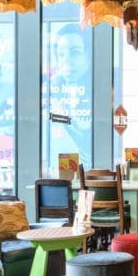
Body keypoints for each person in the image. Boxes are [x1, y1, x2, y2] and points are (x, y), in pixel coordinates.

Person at [45, 23, 92, 170]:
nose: (67, 61)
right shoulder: (52, 88)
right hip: (58, 166)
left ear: (88, 54)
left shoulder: (100, 89)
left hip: (90, 166)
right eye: (61, 55)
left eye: (75, 53)